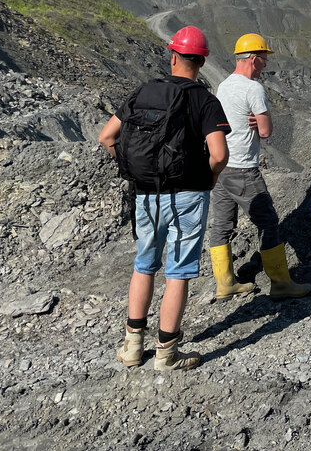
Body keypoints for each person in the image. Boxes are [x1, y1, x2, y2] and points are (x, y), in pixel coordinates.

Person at [99, 26, 230, 371]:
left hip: (146, 194)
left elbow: (107, 136)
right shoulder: (204, 99)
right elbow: (219, 153)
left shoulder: (143, 91)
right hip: (189, 194)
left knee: (144, 265)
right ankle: (166, 353)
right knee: (179, 272)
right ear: (201, 62)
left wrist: (133, 169)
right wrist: (210, 179)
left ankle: (131, 347)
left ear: (172, 56)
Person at [209, 33, 311, 301]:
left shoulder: (224, 86)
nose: (266, 64)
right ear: (253, 59)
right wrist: (260, 119)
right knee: (267, 223)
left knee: (221, 225)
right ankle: (280, 283)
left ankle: (225, 284)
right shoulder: (253, 89)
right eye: (264, 59)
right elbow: (265, 132)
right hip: (243, 168)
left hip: (221, 167)